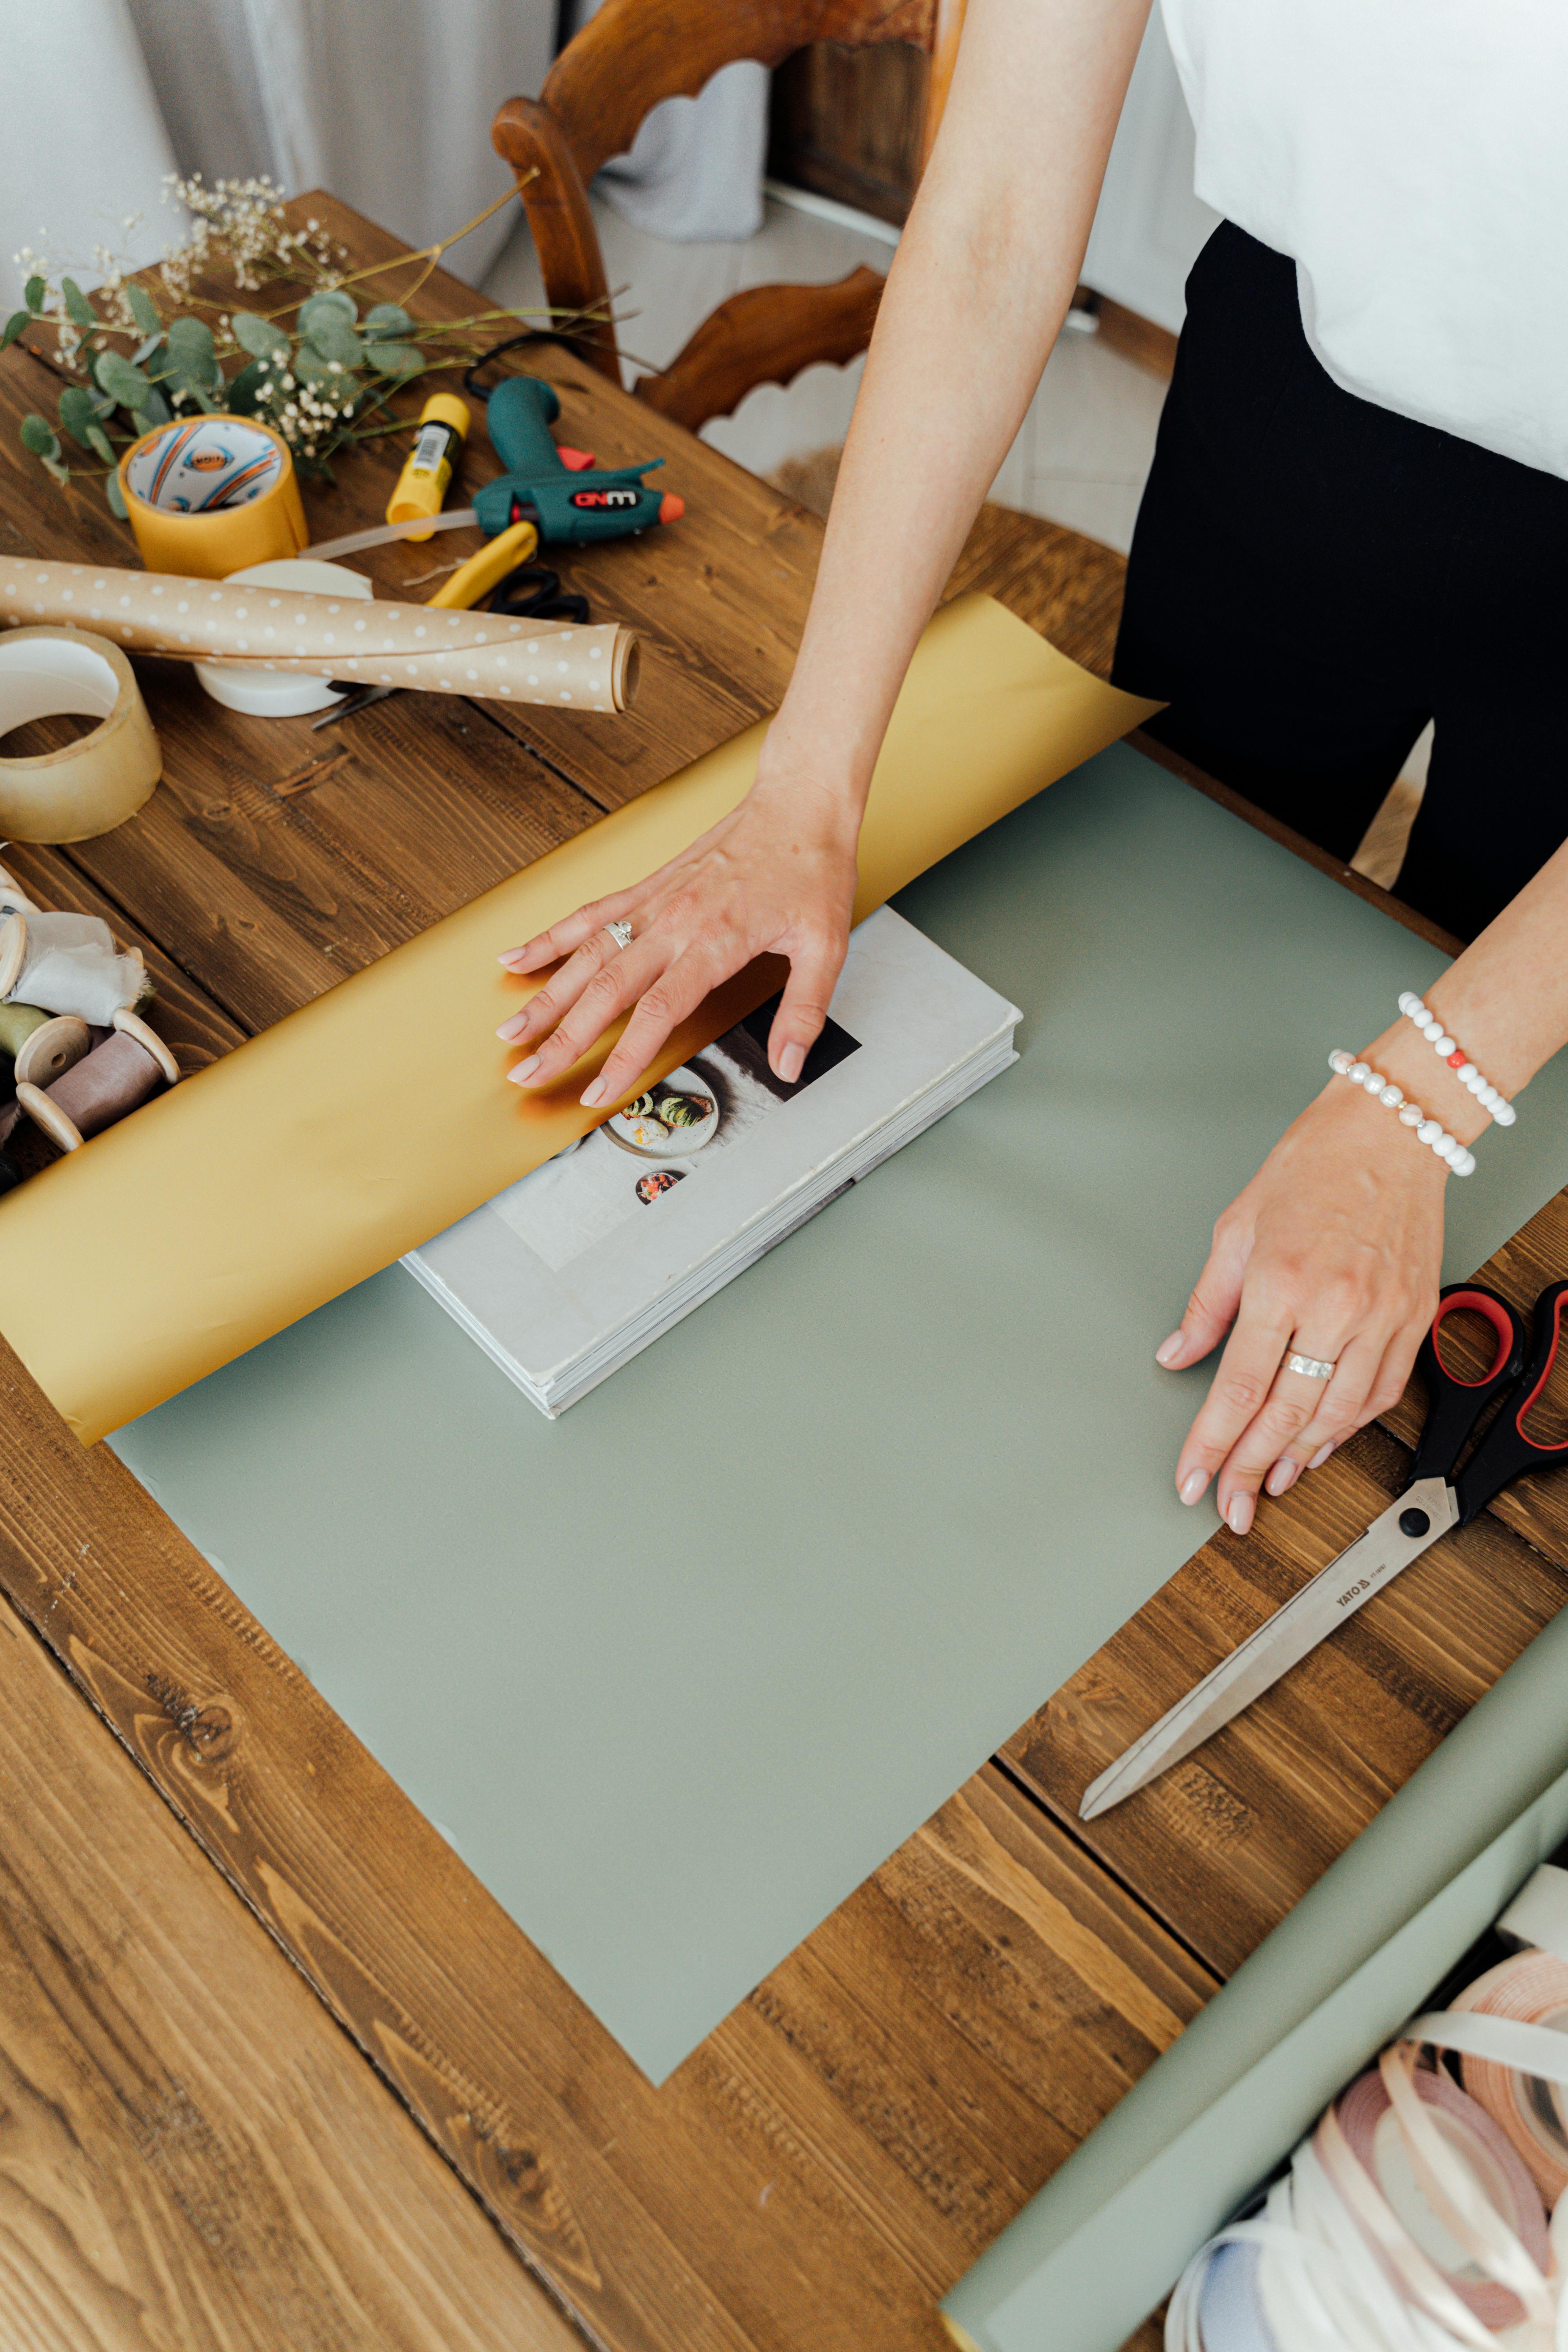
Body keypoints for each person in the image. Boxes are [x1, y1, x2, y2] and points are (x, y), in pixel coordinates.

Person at [490, 0, 1568, 1538]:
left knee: (1493, 1131)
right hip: (1307, 378)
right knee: (1161, 970)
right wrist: (802, 791)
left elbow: (1448, 1089)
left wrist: (1426, 1098)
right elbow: (995, 218)